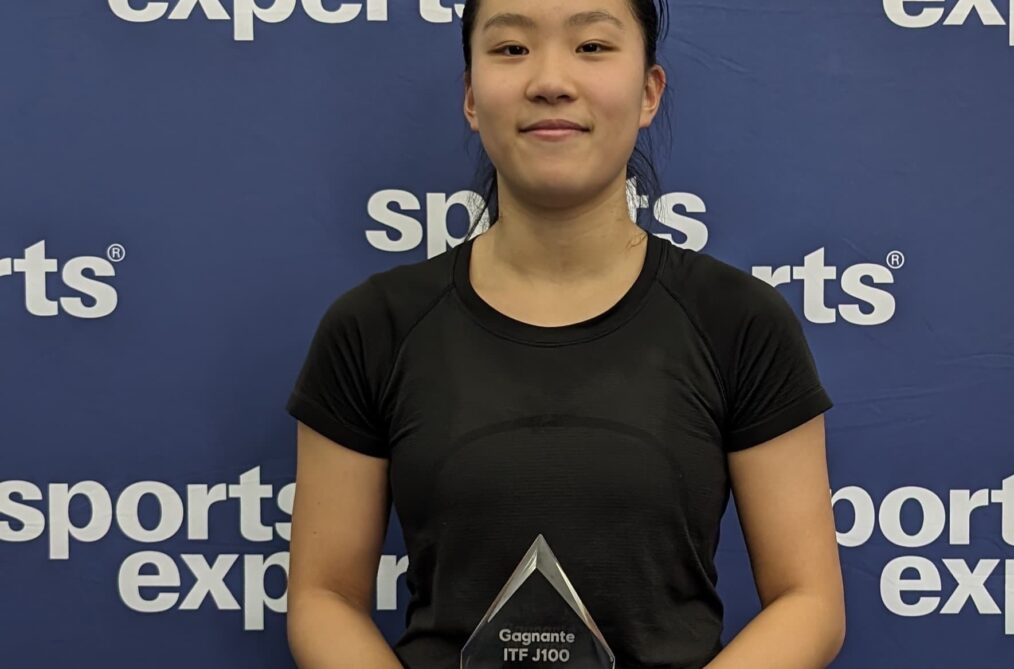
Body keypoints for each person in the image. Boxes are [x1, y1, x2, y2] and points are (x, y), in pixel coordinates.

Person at [283, 1, 846, 668]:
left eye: (592, 47)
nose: (551, 79)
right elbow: (322, 596)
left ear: (648, 93)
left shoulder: (740, 322)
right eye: (512, 49)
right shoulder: (372, 327)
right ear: (470, 95)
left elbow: (808, 600)